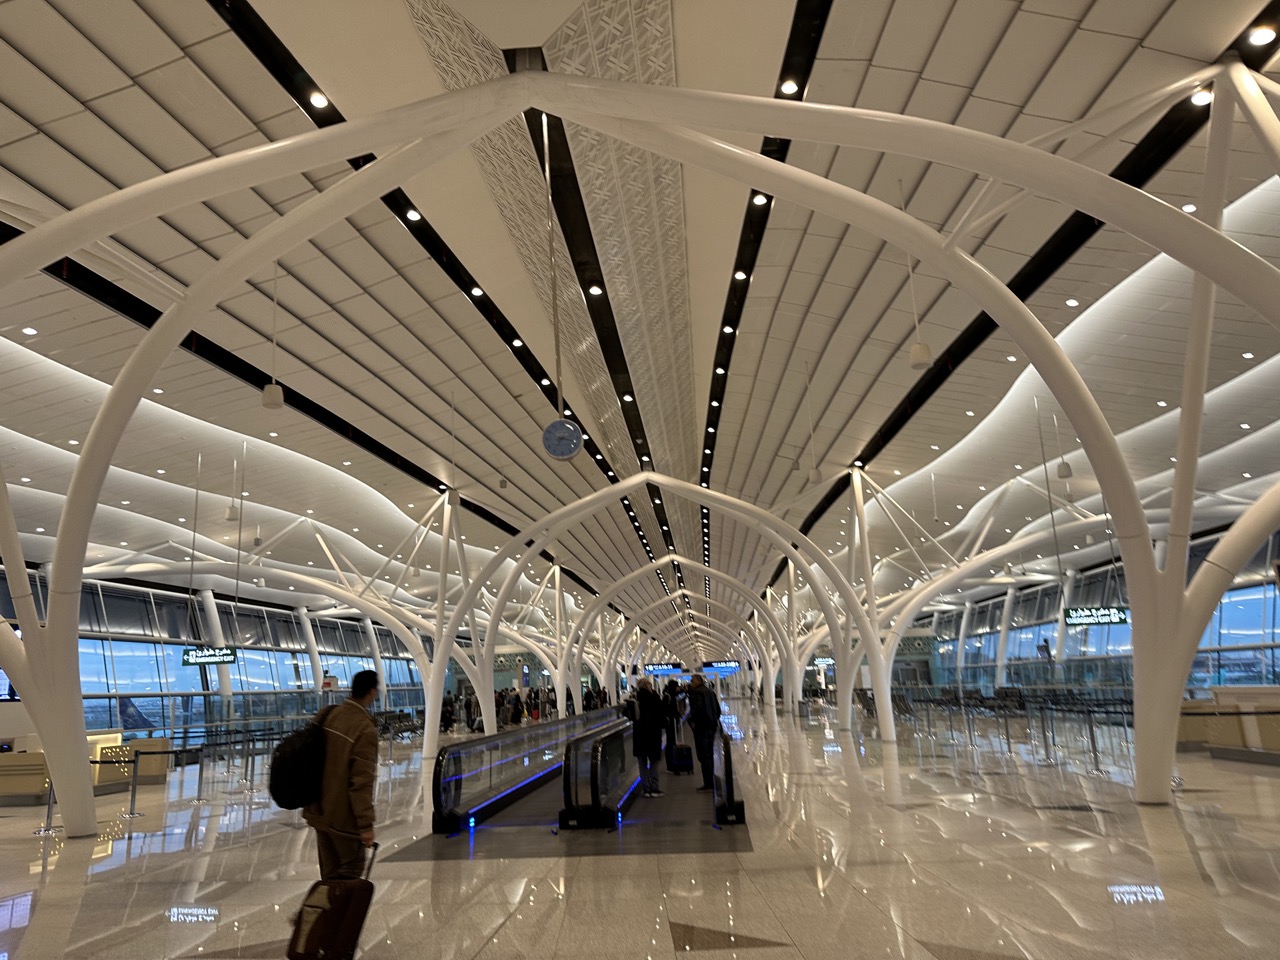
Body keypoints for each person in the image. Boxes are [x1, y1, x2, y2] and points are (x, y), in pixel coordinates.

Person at [303, 669, 379, 880]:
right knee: (350, 875)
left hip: (319, 811)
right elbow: (361, 783)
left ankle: (321, 912)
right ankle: (332, 913)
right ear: (372, 692)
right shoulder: (364, 728)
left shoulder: (329, 714)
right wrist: (365, 825)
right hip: (343, 819)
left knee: (329, 877)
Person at [631, 677, 667, 797]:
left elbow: (628, 714)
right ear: (646, 685)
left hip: (639, 736)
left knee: (642, 763)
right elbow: (662, 714)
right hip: (653, 735)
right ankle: (655, 788)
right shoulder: (654, 697)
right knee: (654, 762)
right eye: (649, 684)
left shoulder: (635, 698)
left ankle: (646, 789)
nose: (651, 686)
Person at [686, 674, 721, 792]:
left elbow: (697, 710)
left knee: (702, 755)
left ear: (698, 681)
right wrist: (714, 720)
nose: (691, 682)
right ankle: (711, 780)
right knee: (709, 754)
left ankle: (708, 783)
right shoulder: (711, 692)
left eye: (692, 680)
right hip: (711, 726)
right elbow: (718, 709)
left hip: (701, 728)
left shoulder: (696, 693)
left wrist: (692, 722)